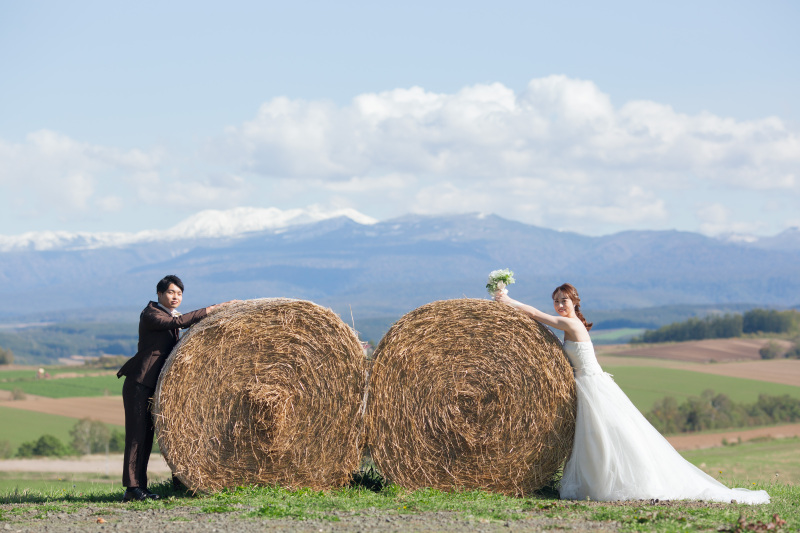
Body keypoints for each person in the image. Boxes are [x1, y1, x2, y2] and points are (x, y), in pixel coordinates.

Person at [495, 283, 769, 504]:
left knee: (608, 433)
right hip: (585, 385)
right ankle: (598, 481)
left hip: (593, 385)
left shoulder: (573, 324)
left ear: (575, 303)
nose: (559, 305)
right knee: (594, 436)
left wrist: (508, 300)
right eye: (555, 300)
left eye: (563, 300)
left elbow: (538, 316)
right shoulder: (569, 325)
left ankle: (619, 482)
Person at [117, 275, 236, 502]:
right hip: (139, 383)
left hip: (155, 386)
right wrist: (211, 309)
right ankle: (131, 488)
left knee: (148, 436)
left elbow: (181, 324)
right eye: (171, 292)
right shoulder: (151, 313)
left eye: (179, 294)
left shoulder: (171, 314)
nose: (175, 297)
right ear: (160, 294)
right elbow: (176, 324)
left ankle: (142, 487)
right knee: (136, 437)